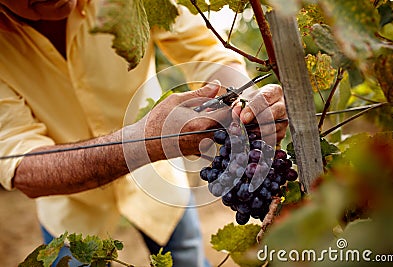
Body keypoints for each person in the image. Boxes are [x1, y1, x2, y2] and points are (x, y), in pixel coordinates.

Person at [0, 0, 288, 266]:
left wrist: (247, 102)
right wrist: (147, 140)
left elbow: (204, 51)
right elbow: (23, 165)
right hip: (71, 209)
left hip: (160, 185)